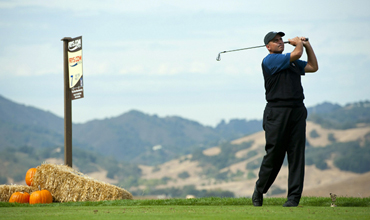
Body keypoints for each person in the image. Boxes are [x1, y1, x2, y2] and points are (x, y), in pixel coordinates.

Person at [252, 31, 318, 207]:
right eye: (276, 41)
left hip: (297, 111)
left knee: (297, 155)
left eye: (281, 39)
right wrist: (298, 44)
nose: (280, 42)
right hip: (277, 112)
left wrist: (307, 46)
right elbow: (296, 53)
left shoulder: (293, 62)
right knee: (274, 155)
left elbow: (313, 67)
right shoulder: (270, 60)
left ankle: (293, 198)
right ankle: (259, 190)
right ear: (268, 47)